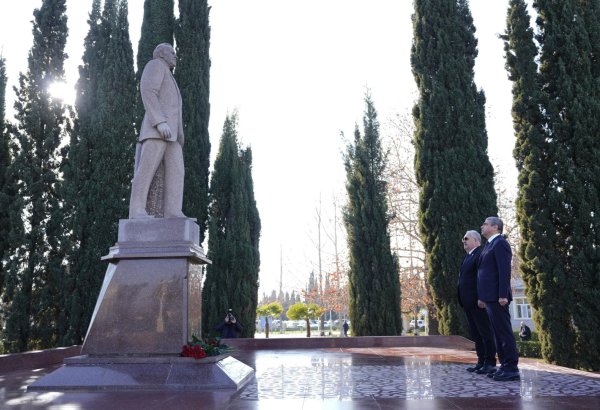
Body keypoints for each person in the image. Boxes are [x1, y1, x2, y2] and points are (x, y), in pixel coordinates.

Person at [129, 43, 186, 219]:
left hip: (173, 136)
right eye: (171, 52)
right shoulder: (155, 65)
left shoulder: (168, 74)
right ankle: (137, 210)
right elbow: (148, 91)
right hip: (156, 131)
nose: (175, 55)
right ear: (161, 54)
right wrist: (160, 122)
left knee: (177, 171)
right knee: (146, 169)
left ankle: (173, 211)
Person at [477, 216, 520, 381]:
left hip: (498, 296)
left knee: (504, 332)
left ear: (495, 227)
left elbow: (504, 270)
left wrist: (503, 294)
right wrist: (482, 297)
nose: (482, 226)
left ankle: (511, 368)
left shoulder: (500, 243)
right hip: (489, 297)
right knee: (497, 333)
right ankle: (504, 365)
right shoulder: (489, 245)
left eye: (485, 224)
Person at [457, 230, 497, 374]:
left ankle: (490, 362)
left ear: (476, 241)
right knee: (476, 333)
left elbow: (483, 278)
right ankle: (481, 361)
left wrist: (482, 297)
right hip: (468, 302)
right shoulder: (468, 256)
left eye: (466, 238)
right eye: (463, 239)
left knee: (485, 332)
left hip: (478, 302)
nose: (464, 241)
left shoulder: (479, 254)